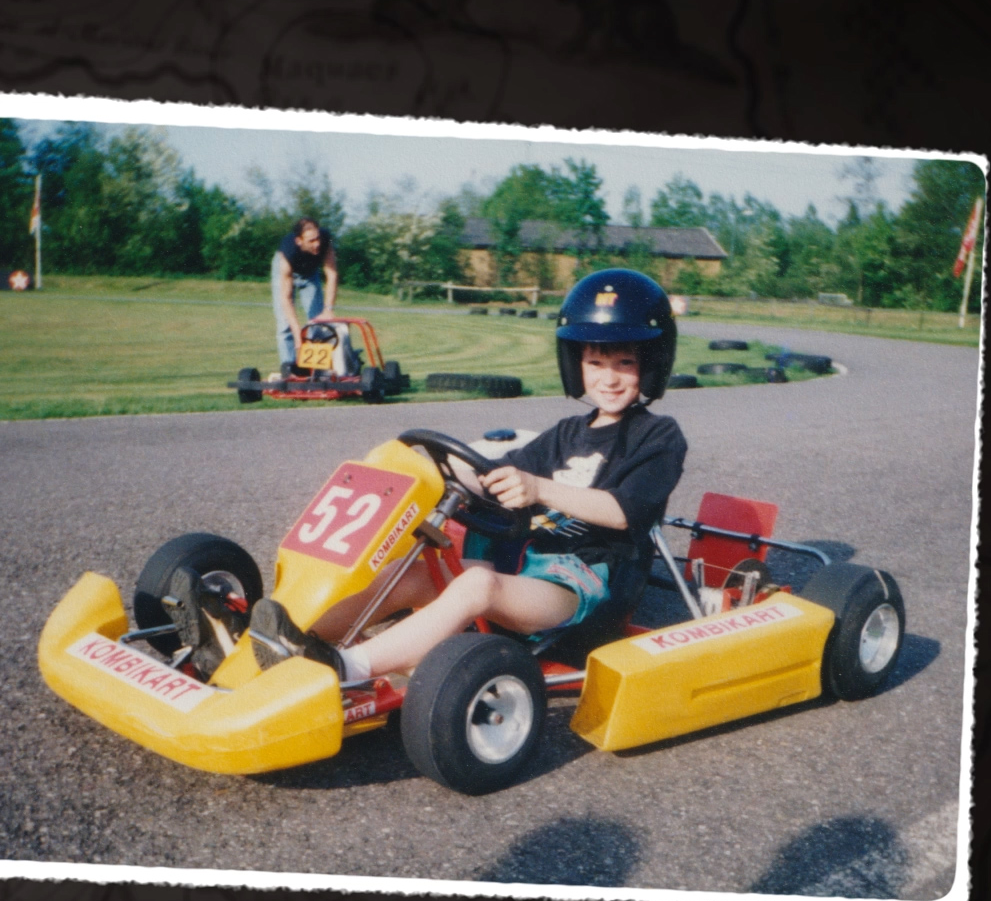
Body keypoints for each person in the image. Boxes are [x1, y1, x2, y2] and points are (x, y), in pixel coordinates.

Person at [182, 268, 687, 684]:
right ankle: (272, 643)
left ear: (651, 364)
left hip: (586, 590)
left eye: (624, 362)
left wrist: (538, 488)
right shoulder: (565, 434)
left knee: (477, 584)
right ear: (577, 365)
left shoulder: (657, 436)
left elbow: (624, 513)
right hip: (529, 575)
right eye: (596, 362)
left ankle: (346, 667)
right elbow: (497, 476)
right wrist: (442, 470)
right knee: (410, 571)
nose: (609, 377)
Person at [271, 218, 357, 374]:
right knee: (285, 326)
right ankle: (290, 370)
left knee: (318, 323)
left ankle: (317, 371)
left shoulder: (325, 240)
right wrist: (297, 333)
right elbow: (286, 298)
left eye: (317, 239)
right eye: (311, 241)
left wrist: (328, 309)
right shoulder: (288, 252)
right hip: (286, 272)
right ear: (299, 241)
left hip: (310, 274)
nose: (317, 244)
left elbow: (332, 275)